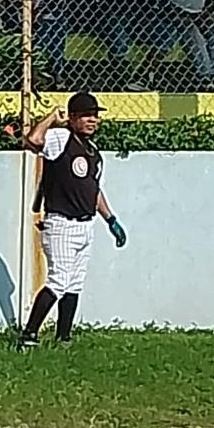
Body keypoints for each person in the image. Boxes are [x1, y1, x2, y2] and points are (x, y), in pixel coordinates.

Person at [18, 92, 127, 348]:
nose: (93, 120)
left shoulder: (93, 152)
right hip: (62, 223)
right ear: (74, 117)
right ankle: (29, 335)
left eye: (96, 116)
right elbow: (32, 141)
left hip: (85, 225)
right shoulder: (62, 137)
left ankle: (63, 337)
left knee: (74, 283)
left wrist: (111, 220)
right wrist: (51, 120)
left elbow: (93, 190)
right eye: (87, 115)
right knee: (58, 280)